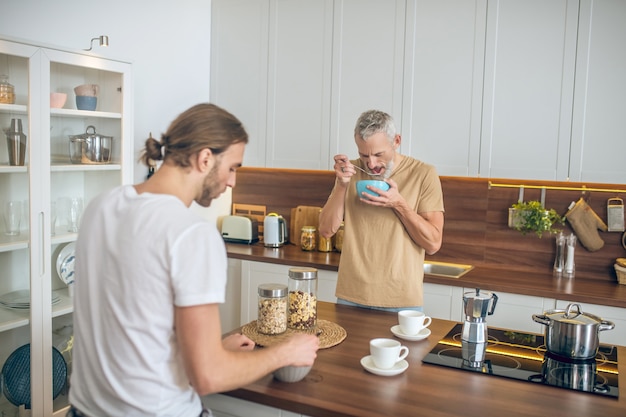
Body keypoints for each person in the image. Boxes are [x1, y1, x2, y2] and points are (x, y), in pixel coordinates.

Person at [69, 103, 319, 417]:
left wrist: (215, 352)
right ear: (204, 158)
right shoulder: (190, 235)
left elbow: (132, 330)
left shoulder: (102, 206)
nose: (232, 182)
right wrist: (284, 353)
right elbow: (209, 376)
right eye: (233, 168)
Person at [319, 109, 444, 312]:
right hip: (351, 295)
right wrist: (342, 185)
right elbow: (326, 230)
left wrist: (399, 204)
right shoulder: (349, 172)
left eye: (379, 154)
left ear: (396, 141)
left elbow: (433, 243)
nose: (371, 164)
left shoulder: (423, 174)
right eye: (363, 155)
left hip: (401, 300)